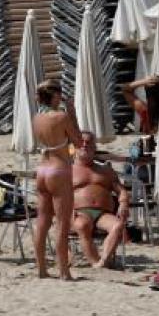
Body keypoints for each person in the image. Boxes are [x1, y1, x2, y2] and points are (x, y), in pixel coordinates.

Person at [32, 79, 82, 280]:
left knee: (42, 221)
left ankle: (41, 269)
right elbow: (78, 141)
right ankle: (63, 271)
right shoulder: (61, 117)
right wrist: (73, 112)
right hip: (59, 170)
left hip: (42, 169)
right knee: (62, 223)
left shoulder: (37, 117)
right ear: (54, 95)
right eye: (60, 93)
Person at [70, 132, 129, 269]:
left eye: (89, 142)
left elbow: (121, 191)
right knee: (82, 225)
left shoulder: (106, 171)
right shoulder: (67, 170)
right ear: (74, 146)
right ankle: (95, 261)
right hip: (78, 213)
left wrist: (124, 203)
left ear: (94, 147)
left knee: (118, 225)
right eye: (81, 142)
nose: (85, 144)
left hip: (103, 214)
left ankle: (103, 261)